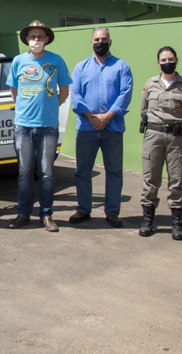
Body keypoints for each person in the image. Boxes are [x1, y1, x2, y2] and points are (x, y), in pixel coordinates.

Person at [5, 20, 71, 232]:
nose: (36, 40)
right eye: (32, 36)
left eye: (40, 37)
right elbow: (14, 91)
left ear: (47, 39)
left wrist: (50, 107)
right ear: (26, 39)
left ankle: (46, 215)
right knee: (24, 172)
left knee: (46, 173)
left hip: (48, 126)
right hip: (23, 126)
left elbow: (64, 91)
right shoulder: (18, 61)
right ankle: (23, 214)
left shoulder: (56, 60)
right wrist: (25, 108)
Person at [69, 27, 133, 227]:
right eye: (97, 39)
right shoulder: (81, 67)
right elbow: (76, 95)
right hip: (86, 129)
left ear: (110, 42)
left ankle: (112, 212)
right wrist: (91, 116)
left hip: (112, 128)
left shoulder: (122, 67)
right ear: (91, 42)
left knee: (114, 172)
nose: (100, 42)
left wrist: (106, 117)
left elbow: (125, 94)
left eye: (104, 39)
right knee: (82, 172)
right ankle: (83, 209)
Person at [139, 46, 182, 240]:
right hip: (153, 137)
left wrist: (178, 125)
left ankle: (177, 224)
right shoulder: (150, 84)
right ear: (158, 63)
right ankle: (148, 221)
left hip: (177, 138)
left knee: (177, 180)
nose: (167, 62)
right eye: (163, 60)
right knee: (150, 179)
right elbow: (144, 109)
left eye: (170, 59)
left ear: (176, 60)